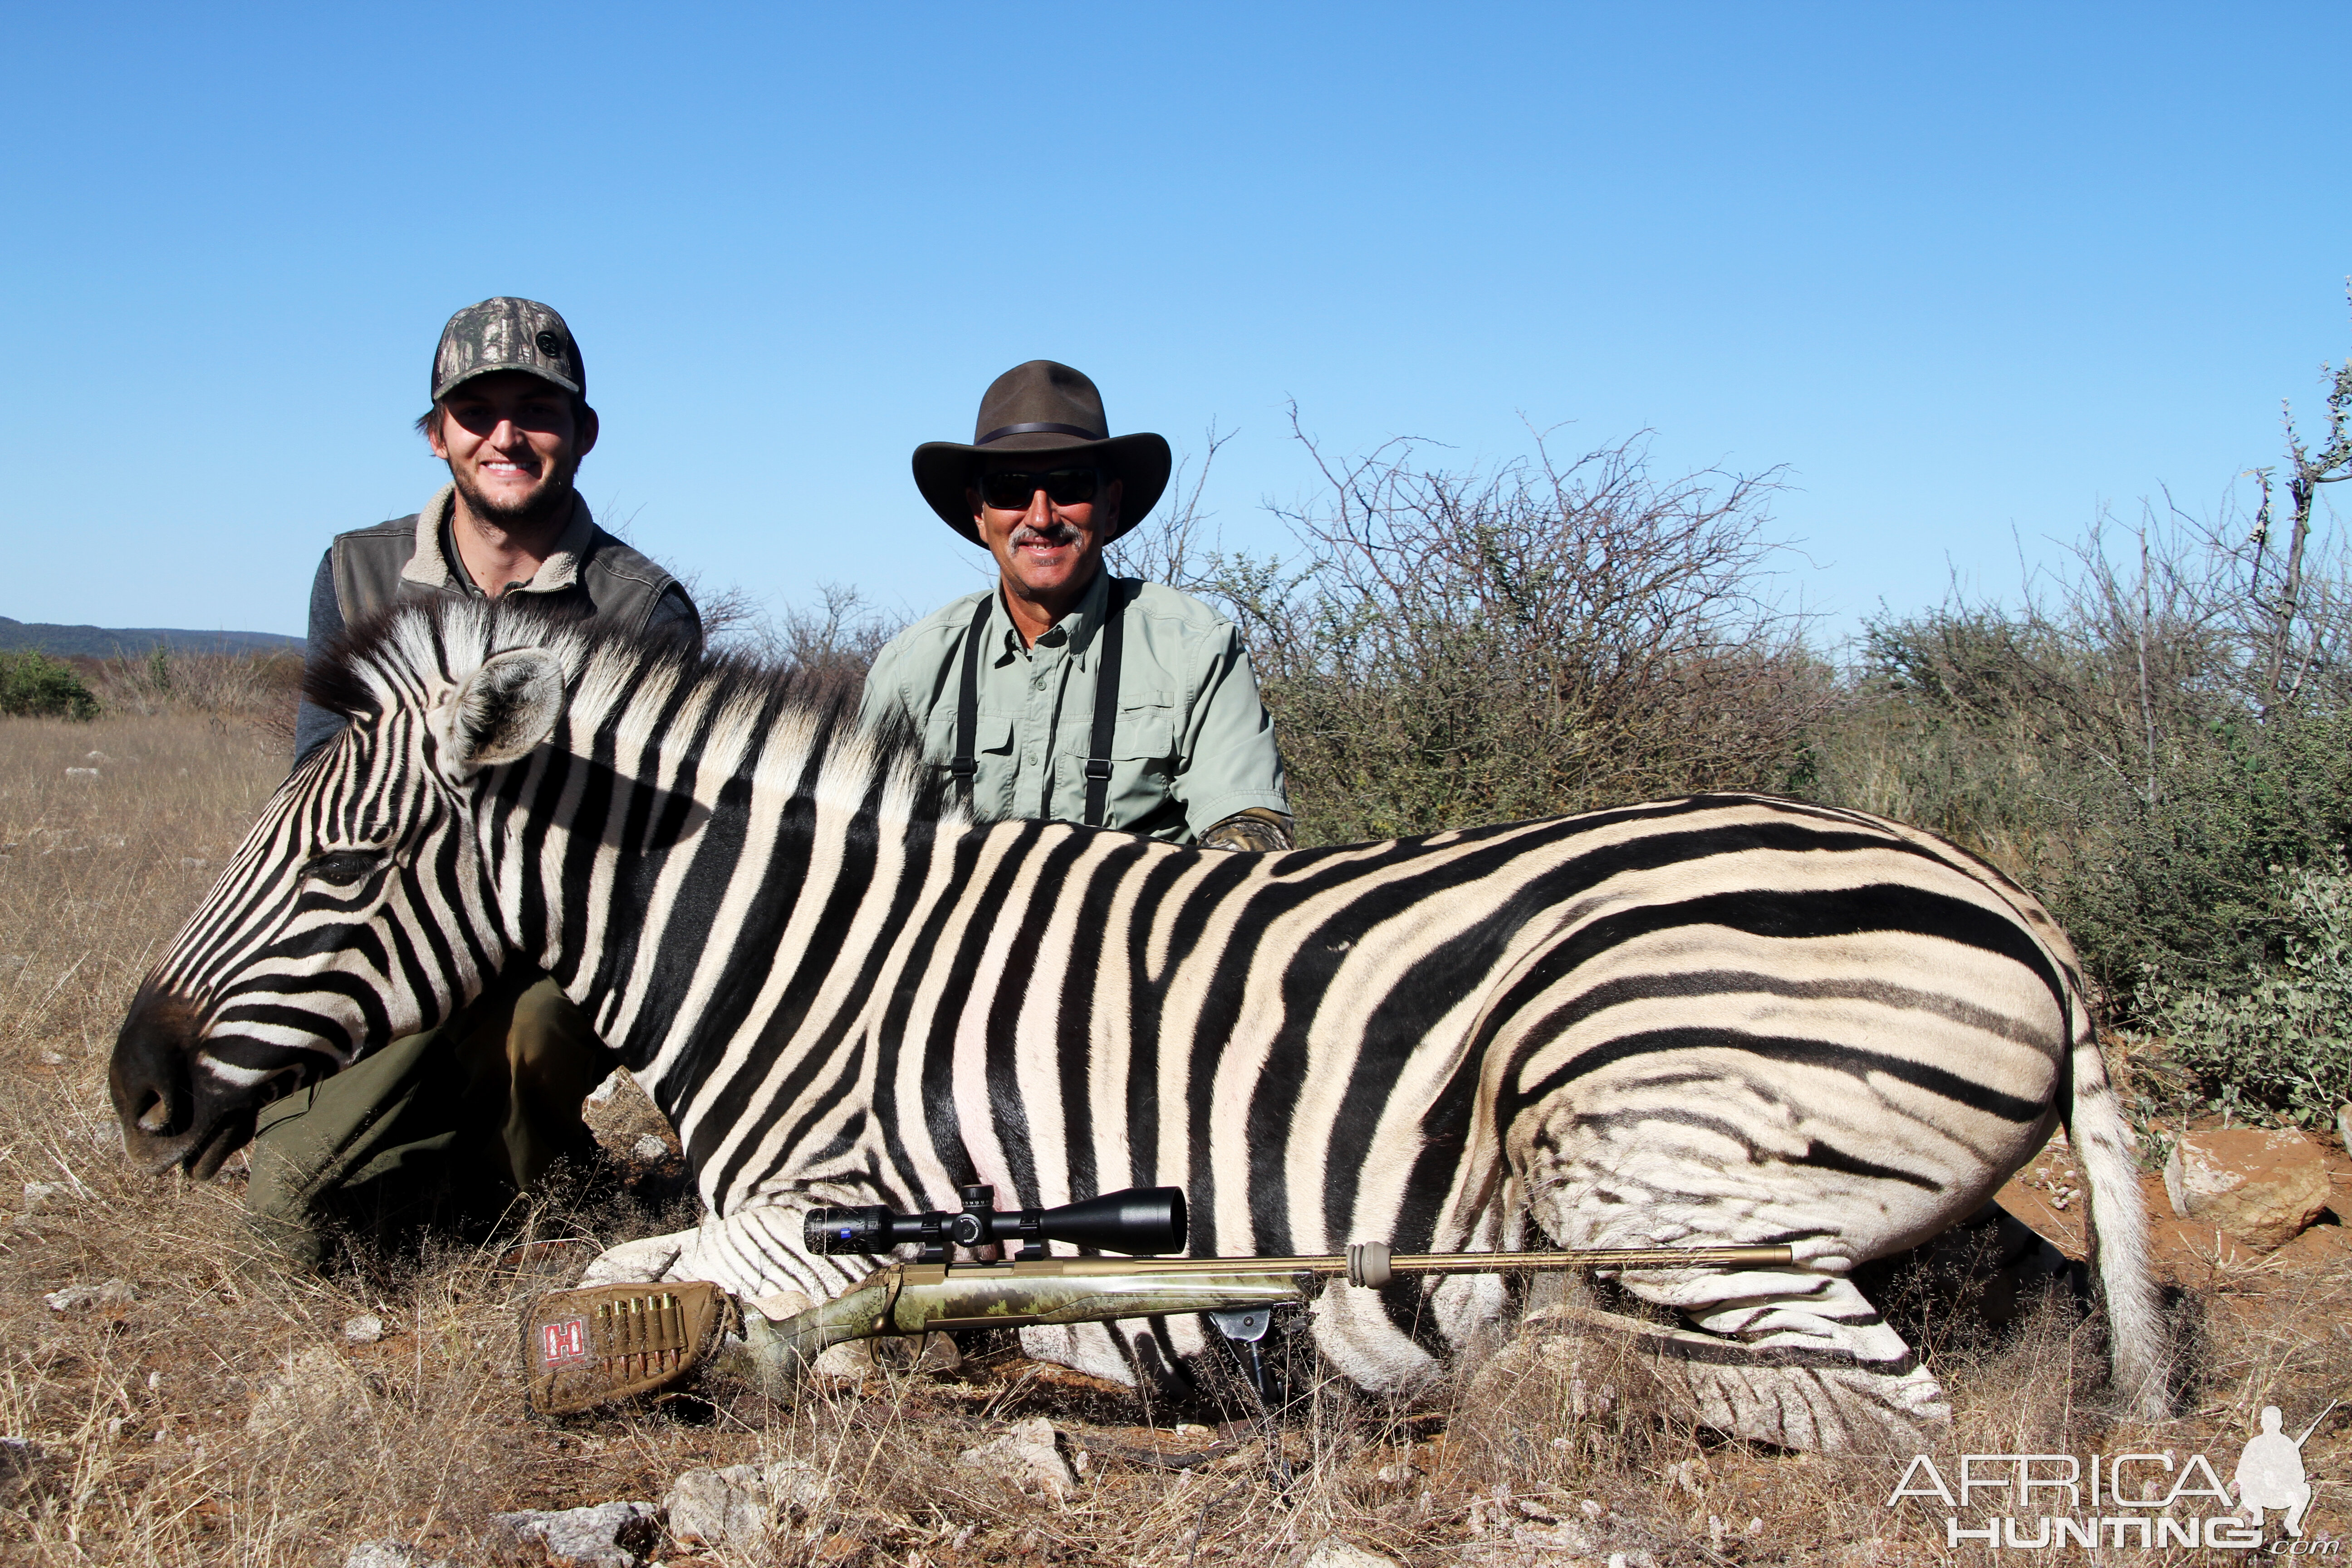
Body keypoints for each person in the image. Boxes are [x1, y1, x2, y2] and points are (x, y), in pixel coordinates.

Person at [255, 297, 703, 1268]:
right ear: (435, 434)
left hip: (545, 941)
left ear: (582, 433)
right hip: (391, 927)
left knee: (536, 1035)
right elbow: (316, 777)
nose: (506, 435)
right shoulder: (355, 571)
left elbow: (630, 855)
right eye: (476, 411)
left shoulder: (645, 609)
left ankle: (535, 1177)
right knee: (287, 1225)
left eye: (537, 411)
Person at [859, 360, 1291, 851]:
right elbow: (862, 849)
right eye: (1008, 489)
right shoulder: (911, 668)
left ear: (1110, 505)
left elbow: (1252, 832)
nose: (1041, 517)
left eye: (1071, 485)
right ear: (979, 514)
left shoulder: (1196, 649)